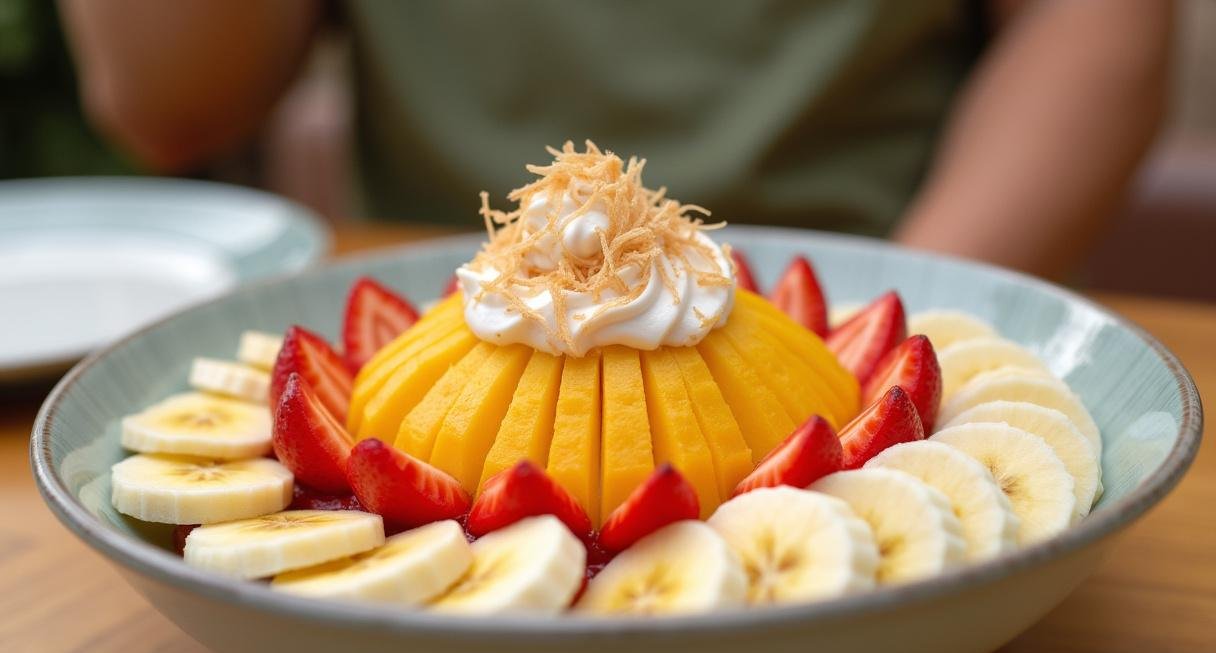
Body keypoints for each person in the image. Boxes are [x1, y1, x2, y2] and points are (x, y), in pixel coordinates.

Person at [58, 0, 1173, 280]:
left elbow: (1088, 20)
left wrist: (913, 324)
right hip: (447, 343)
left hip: (882, 289)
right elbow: (168, 102)